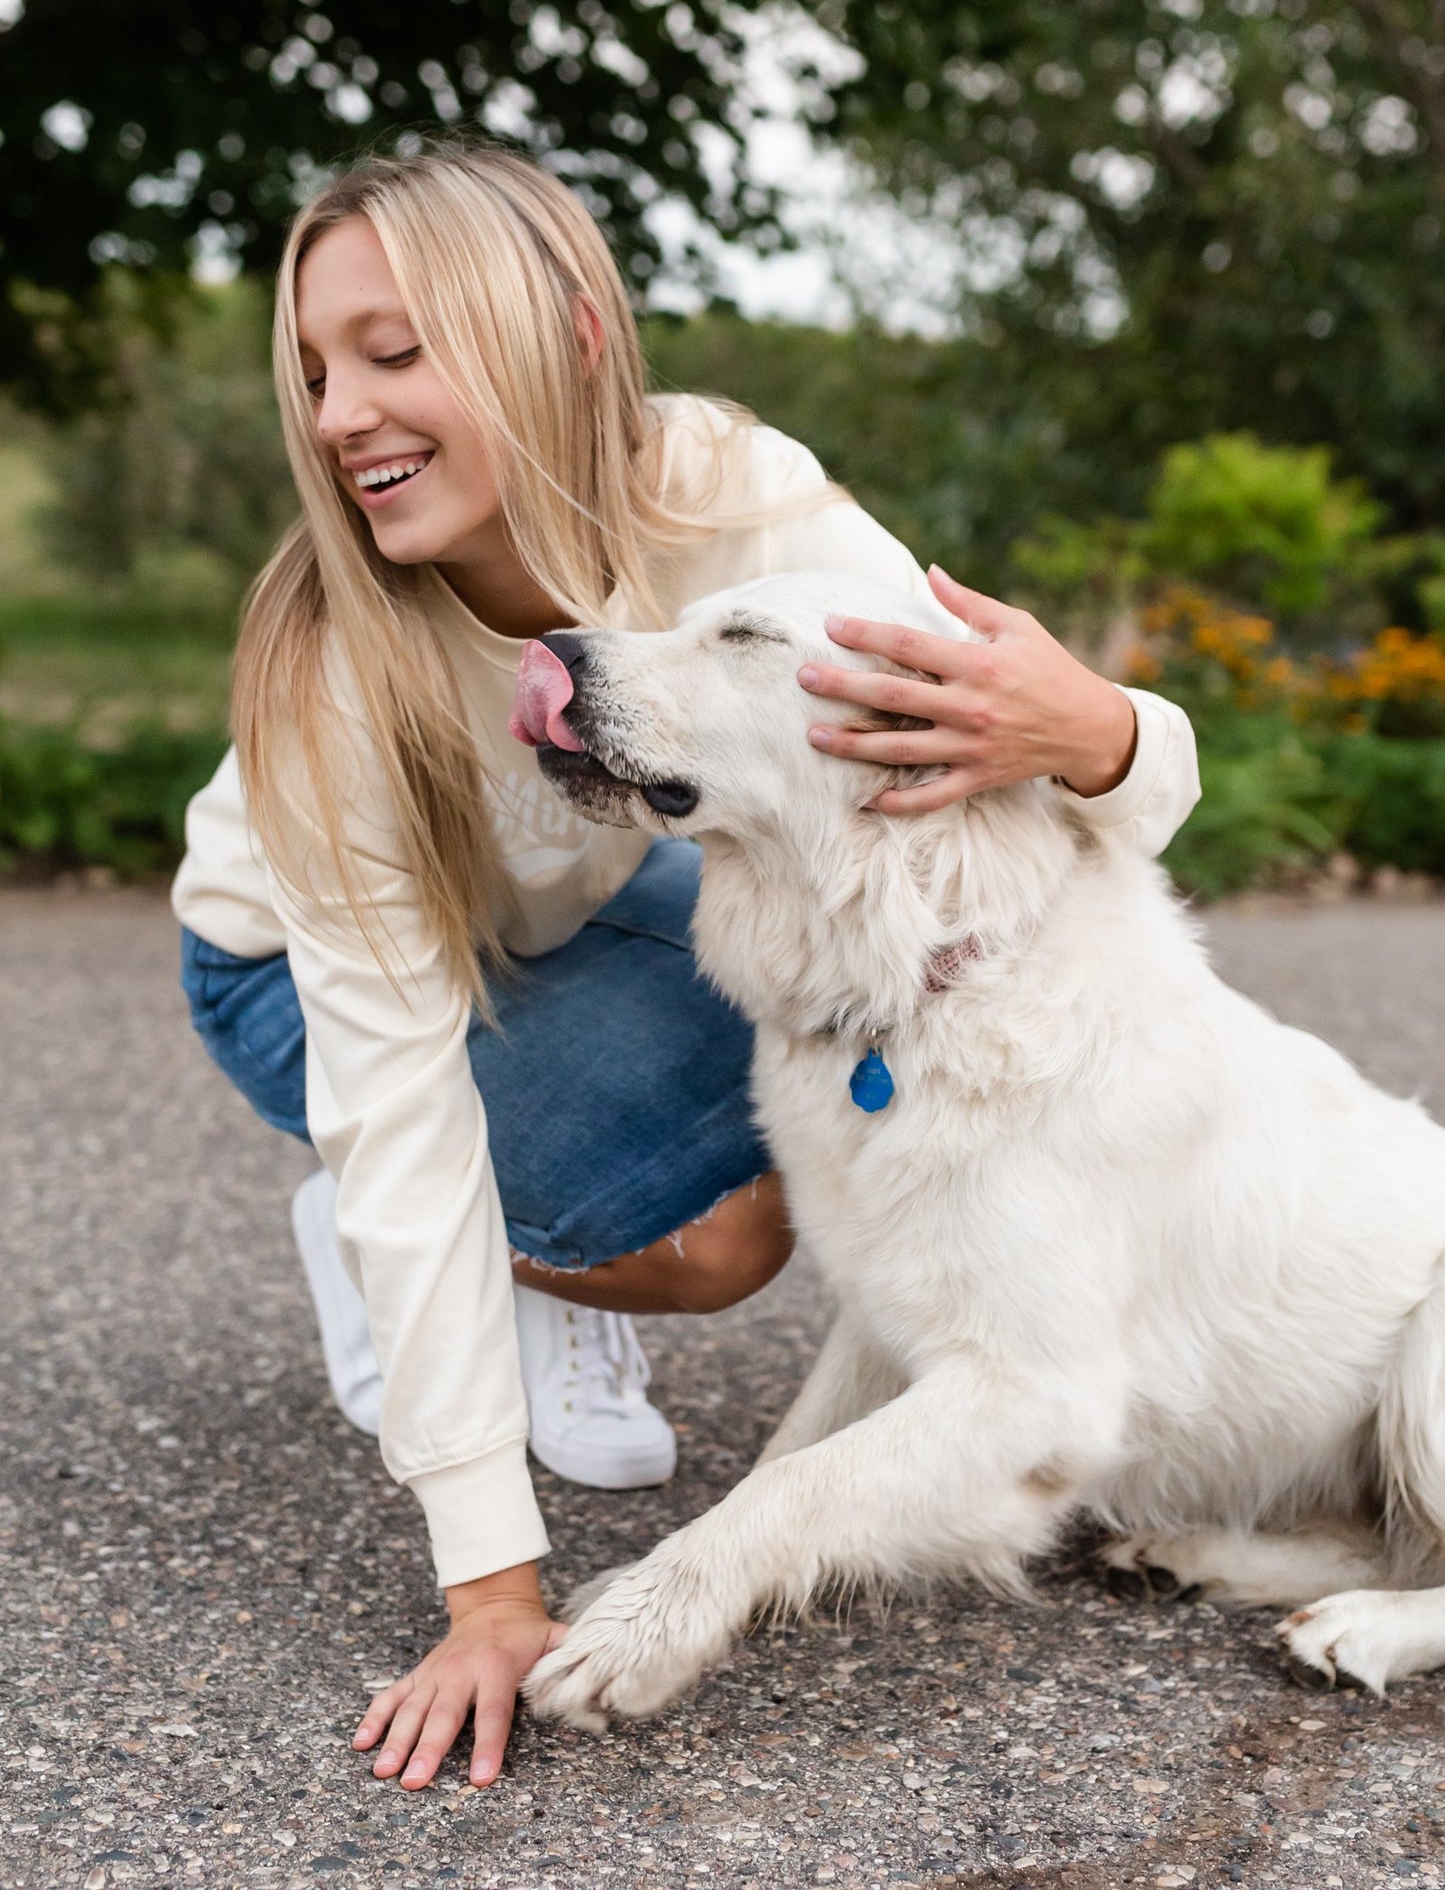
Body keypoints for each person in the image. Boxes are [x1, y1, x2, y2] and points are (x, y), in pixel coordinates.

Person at [172, 141, 1203, 1790]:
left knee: (868, 1068)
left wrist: (1103, 736)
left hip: (587, 899)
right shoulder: (336, 675)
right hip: (292, 986)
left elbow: (1006, 815)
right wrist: (492, 1588)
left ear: (571, 336)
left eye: (393, 348)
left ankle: (514, 1224)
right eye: (309, 371)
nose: (339, 411)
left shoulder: (728, 490)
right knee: (727, 1238)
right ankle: (442, 1259)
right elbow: (401, 1103)